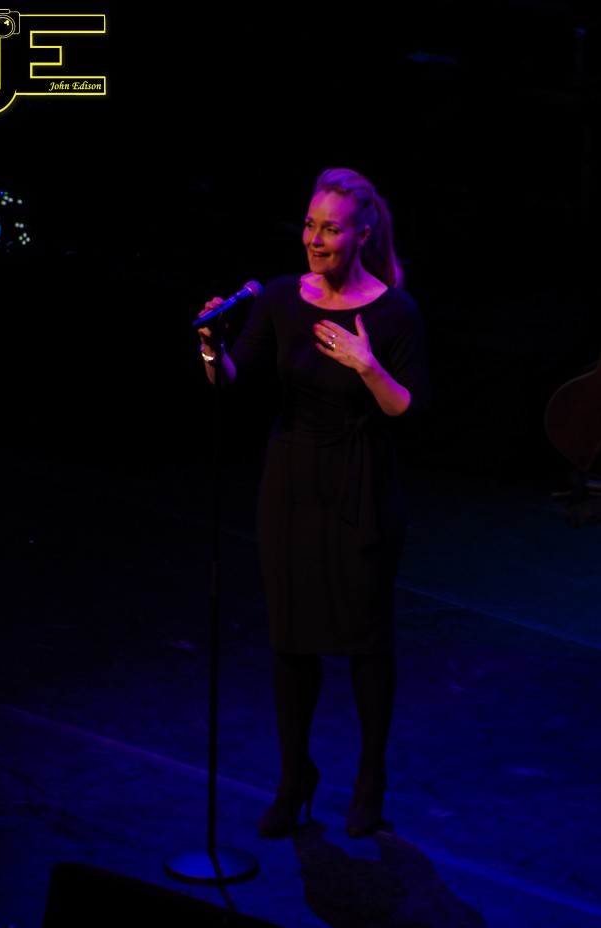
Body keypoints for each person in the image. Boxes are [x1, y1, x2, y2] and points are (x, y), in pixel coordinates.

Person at [197, 166, 430, 838]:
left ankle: (369, 778)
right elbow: (232, 380)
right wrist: (210, 348)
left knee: (365, 639)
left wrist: (366, 365)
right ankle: (294, 775)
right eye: (309, 225)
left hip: (360, 486)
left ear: (362, 234)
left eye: (330, 228)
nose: (314, 238)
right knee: (292, 636)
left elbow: (409, 411)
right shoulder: (280, 298)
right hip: (291, 482)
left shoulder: (394, 312)